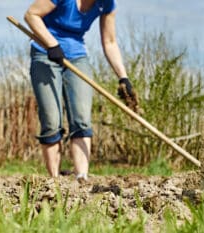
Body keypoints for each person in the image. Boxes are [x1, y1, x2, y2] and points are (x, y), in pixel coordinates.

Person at [24, 0, 138, 182]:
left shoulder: (107, 4)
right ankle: (54, 182)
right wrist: (52, 44)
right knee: (52, 120)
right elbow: (31, 15)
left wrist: (123, 77)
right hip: (45, 52)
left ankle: (81, 179)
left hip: (77, 56)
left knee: (82, 118)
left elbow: (109, 42)